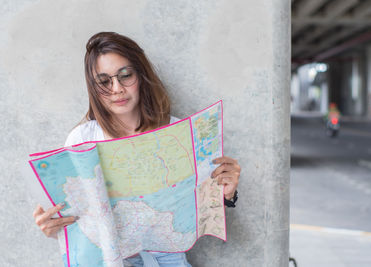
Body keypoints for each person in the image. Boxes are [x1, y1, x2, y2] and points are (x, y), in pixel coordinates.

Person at [32, 32, 241, 266]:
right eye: (104, 82)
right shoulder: (82, 139)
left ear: (141, 75)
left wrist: (226, 194)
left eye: (125, 75)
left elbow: (195, 210)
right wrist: (54, 227)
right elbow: (78, 221)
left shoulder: (177, 133)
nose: (116, 88)